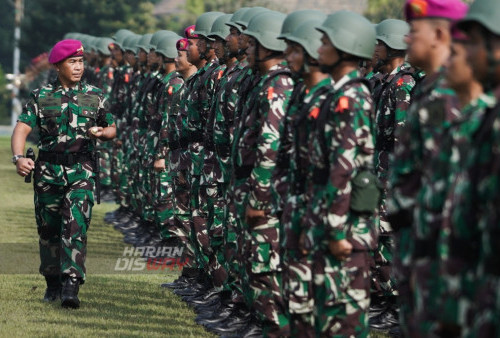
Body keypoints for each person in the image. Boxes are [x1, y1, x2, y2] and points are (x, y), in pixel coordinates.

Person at [11, 39, 116, 308]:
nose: (79, 67)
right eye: (73, 62)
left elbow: (111, 127)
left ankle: (71, 284)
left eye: (81, 62)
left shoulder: (95, 95)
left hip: (82, 171)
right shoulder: (41, 96)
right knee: (49, 230)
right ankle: (52, 283)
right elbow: (22, 129)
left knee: (76, 225)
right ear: (58, 65)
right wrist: (19, 158)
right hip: (48, 173)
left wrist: (103, 133)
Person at [386, 0, 467, 335]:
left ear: (437, 34)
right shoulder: (431, 88)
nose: (406, 40)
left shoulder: (447, 95)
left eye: (413, 31)